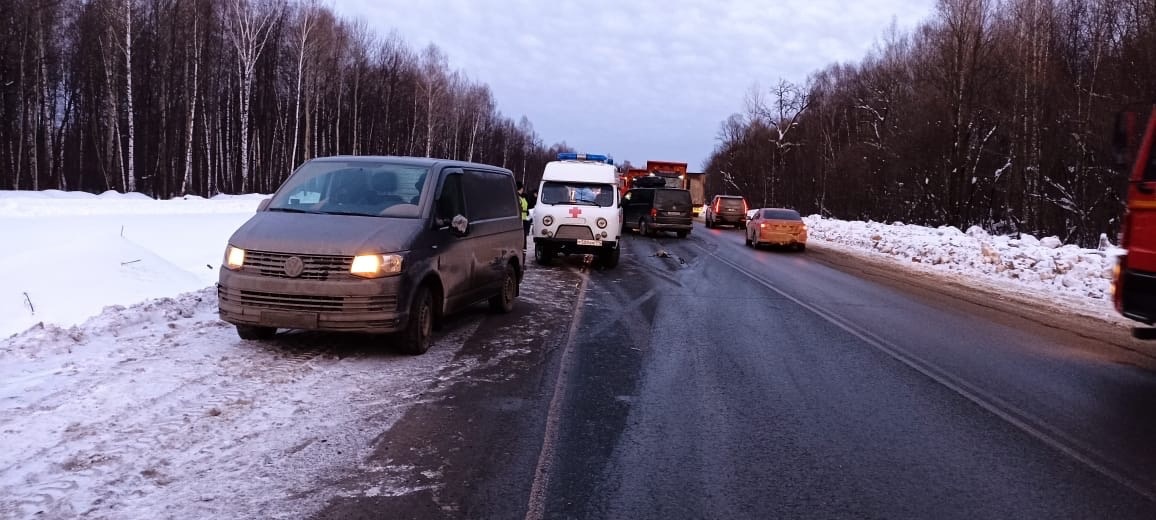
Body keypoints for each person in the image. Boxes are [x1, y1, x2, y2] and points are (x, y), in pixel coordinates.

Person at [516, 181, 531, 247]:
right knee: (522, 238)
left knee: (523, 237)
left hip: (524, 219)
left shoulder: (521, 197)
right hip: (520, 221)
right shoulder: (518, 198)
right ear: (521, 188)